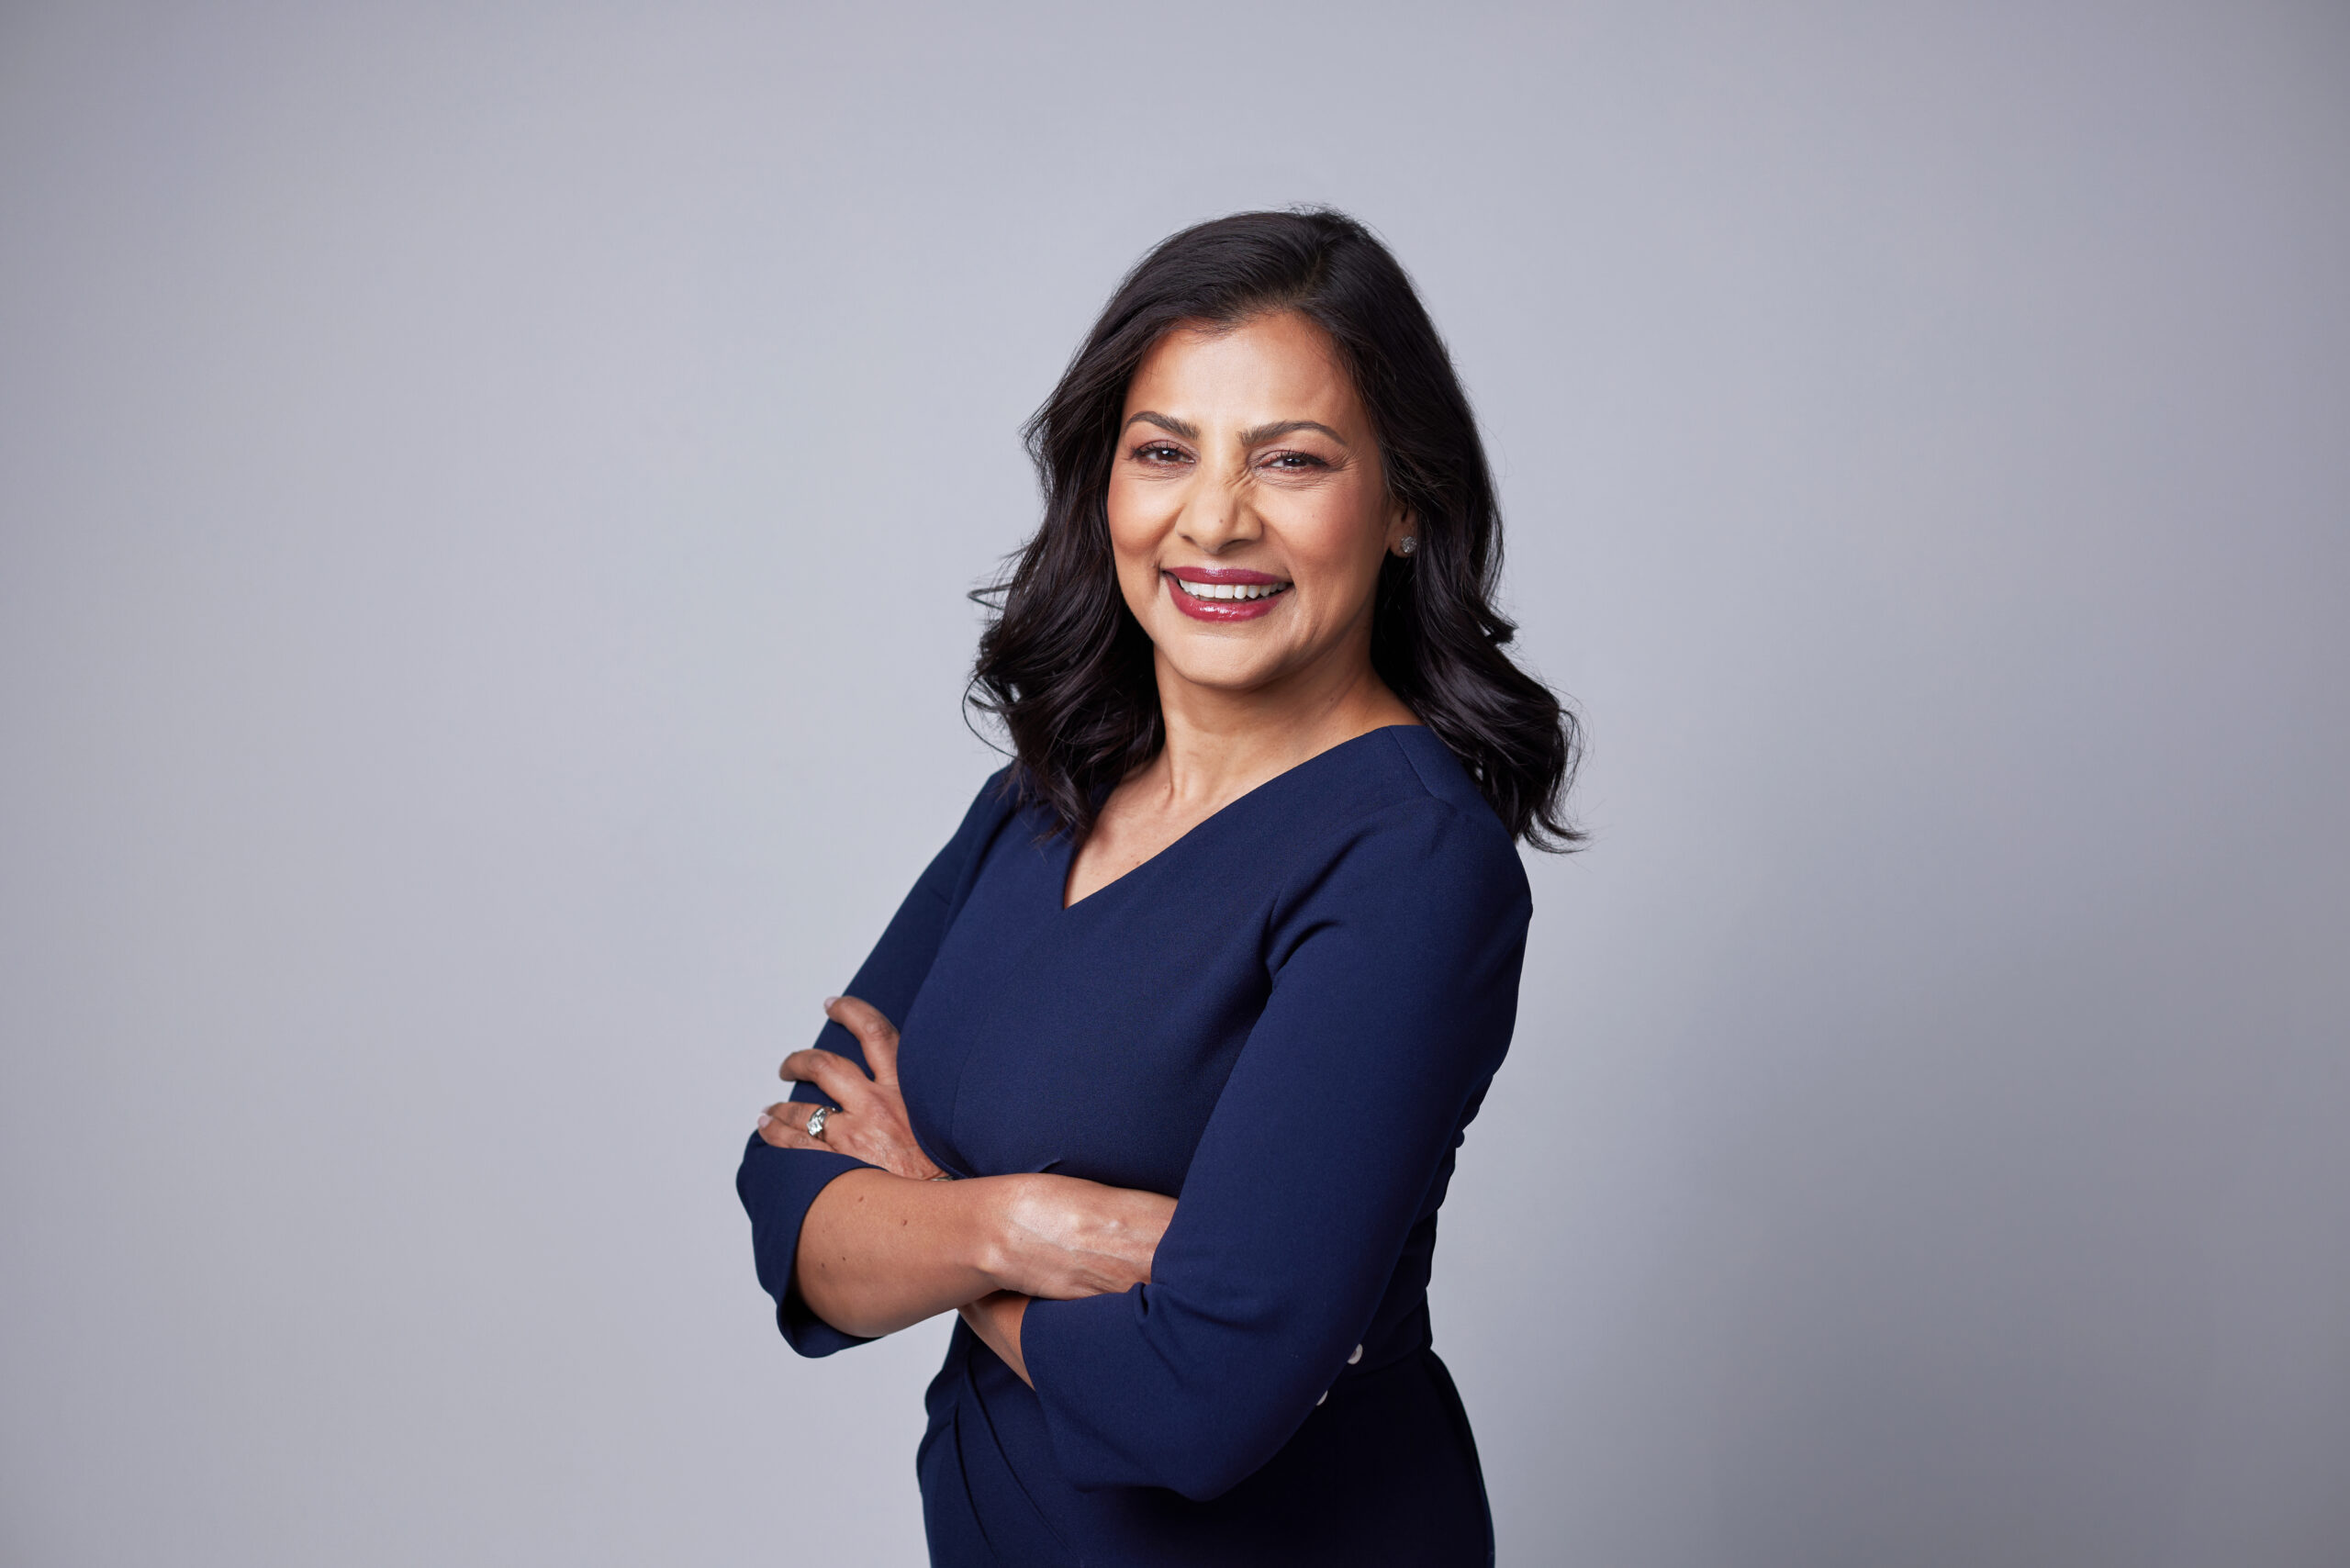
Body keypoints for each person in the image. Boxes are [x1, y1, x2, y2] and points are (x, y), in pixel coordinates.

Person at [737, 207, 1580, 1566]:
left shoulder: (1411, 859)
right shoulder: (1037, 801)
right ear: (1106, 485)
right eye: (1164, 452)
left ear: (1406, 503)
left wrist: (931, 1219)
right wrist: (1021, 1224)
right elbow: (788, 1192)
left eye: (1292, 459)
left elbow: (1199, 1398)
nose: (1215, 520)